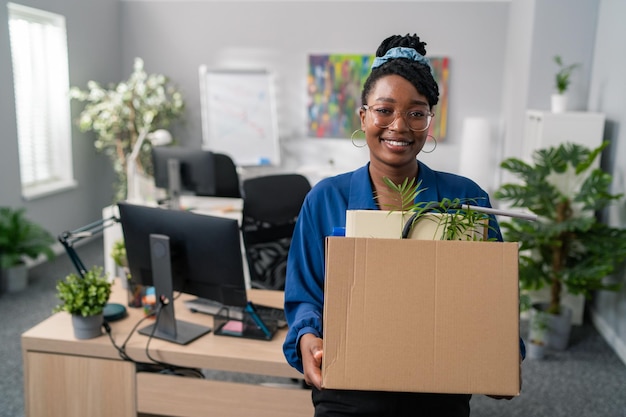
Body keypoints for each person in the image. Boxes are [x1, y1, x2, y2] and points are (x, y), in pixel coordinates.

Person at [283, 33, 522, 416]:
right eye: (384, 110)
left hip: (440, 385)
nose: (399, 125)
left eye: (416, 112)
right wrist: (308, 337)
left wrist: (502, 358)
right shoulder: (325, 199)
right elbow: (305, 295)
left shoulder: (468, 199)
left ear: (430, 122)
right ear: (363, 117)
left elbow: (494, 299)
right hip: (350, 387)